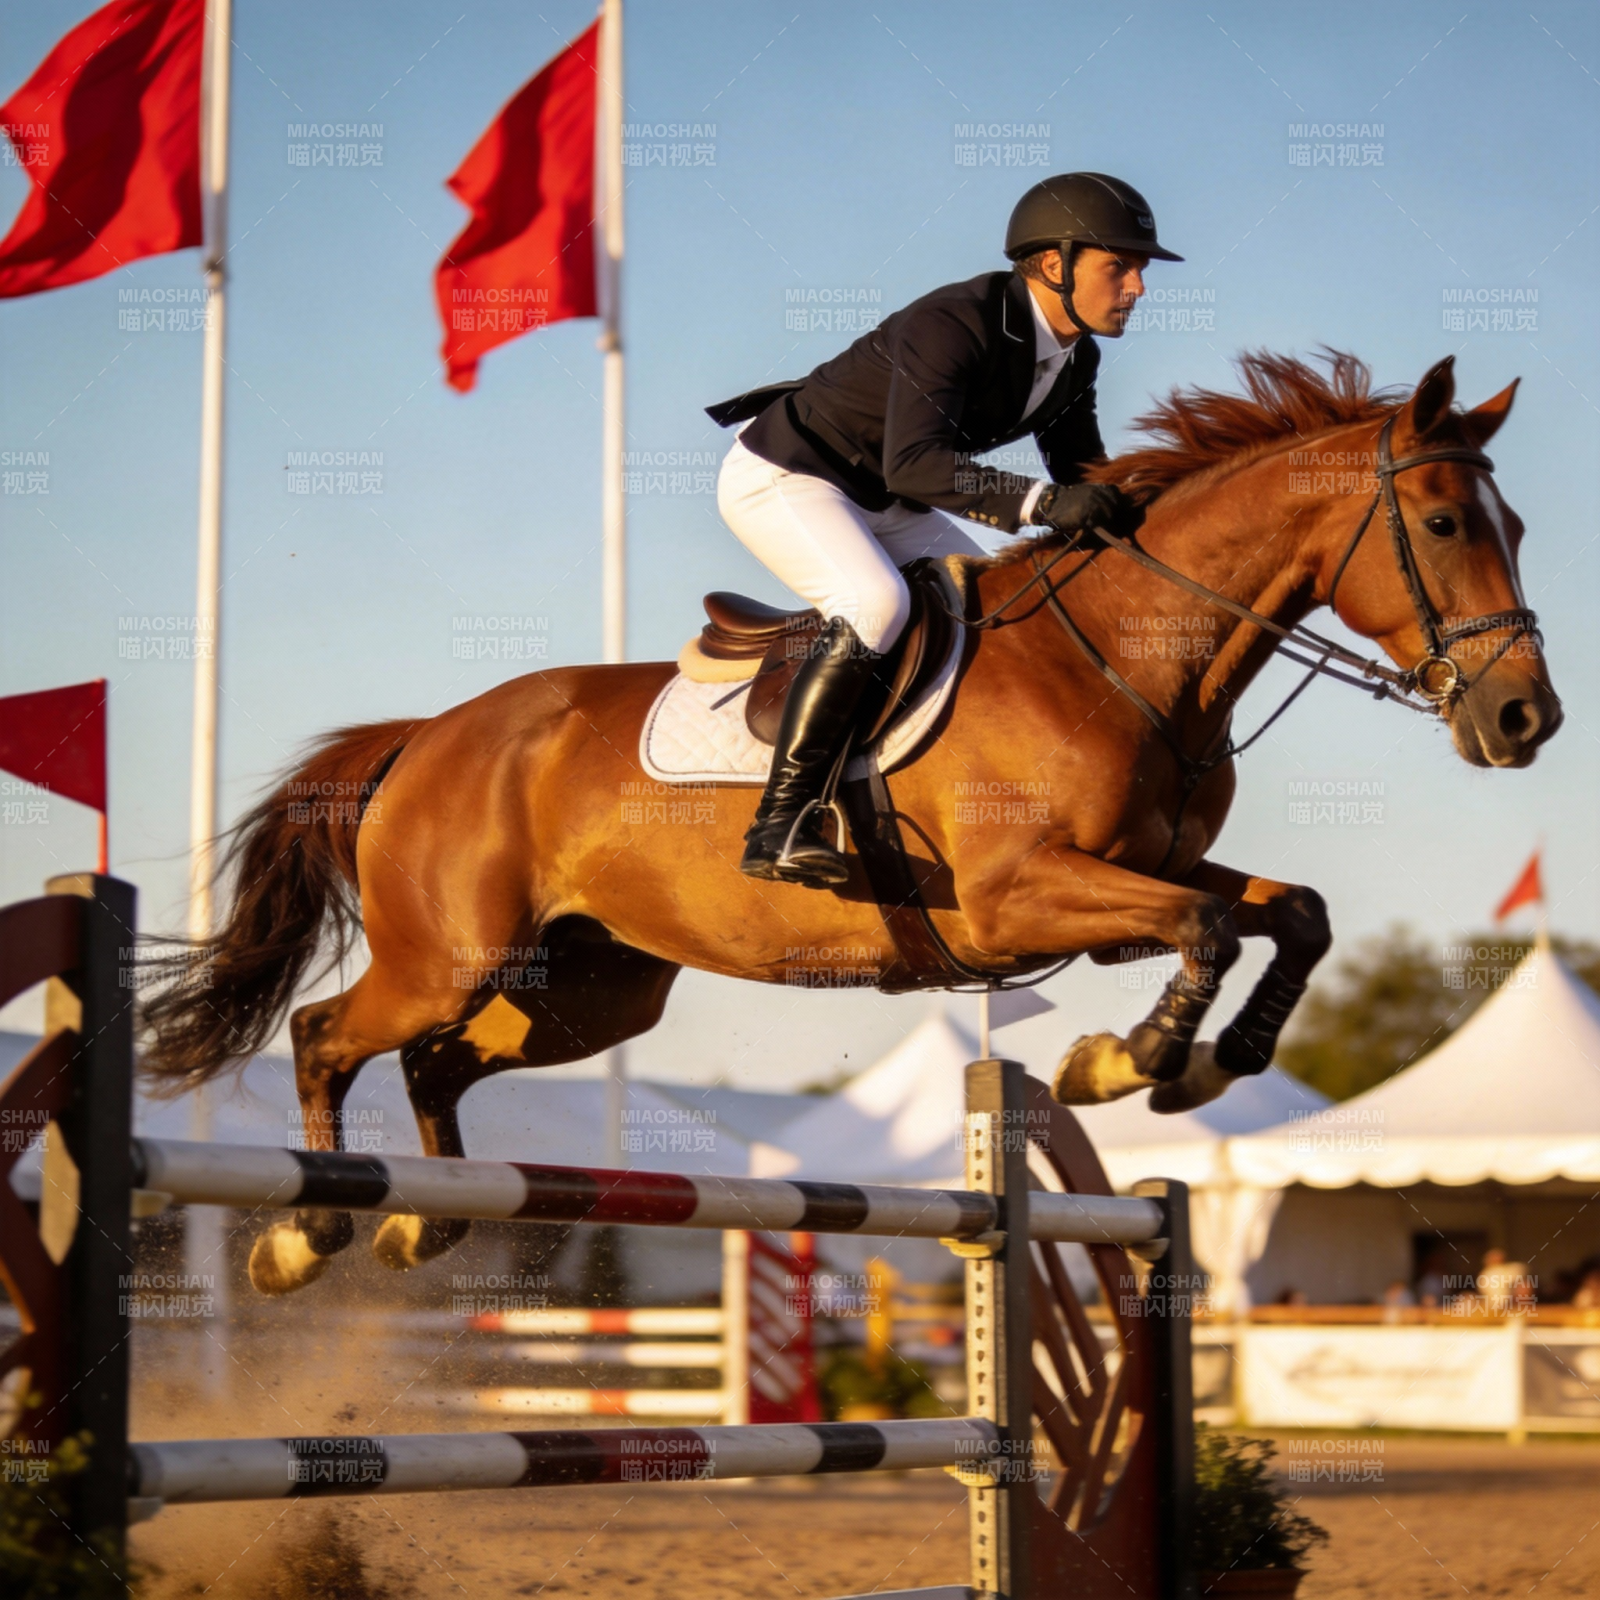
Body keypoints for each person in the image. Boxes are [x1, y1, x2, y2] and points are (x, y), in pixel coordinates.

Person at [707, 173, 1182, 887]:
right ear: (1052, 264)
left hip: (888, 497)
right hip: (791, 475)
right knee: (876, 603)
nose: (1138, 287)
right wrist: (1046, 505)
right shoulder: (954, 324)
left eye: (1139, 268)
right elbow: (917, 464)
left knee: (996, 609)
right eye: (1119, 265)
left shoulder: (1076, 357)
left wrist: (1158, 513)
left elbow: (1081, 472)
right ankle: (781, 823)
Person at [1477, 1247, 1532, 1315]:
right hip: (1496, 1306)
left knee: (1524, 1285)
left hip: (1509, 1305)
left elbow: (1523, 1268)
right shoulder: (1486, 1274)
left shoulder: (1506, 1269)